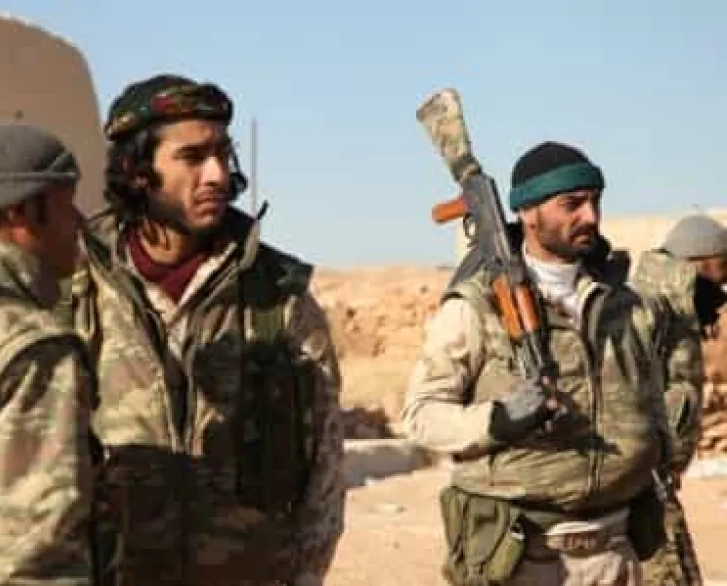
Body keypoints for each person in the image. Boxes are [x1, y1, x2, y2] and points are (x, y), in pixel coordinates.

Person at [67, 73, 345, 585]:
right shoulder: (75, 286)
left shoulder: (278, 296)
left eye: (222, 153)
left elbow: (323, 474)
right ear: (136, 171)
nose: (217, 174)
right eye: (192, 157)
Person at [403, 141, 676, 586]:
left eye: (595, 201)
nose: (591, 216)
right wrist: (497, 421)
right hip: (521, 556)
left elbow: (652, 403)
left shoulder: (624, 305)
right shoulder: (477, 307)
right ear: (528, 213)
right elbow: (421, 416)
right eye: (572, 204)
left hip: (615, 552)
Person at [0, 123, 96, 585]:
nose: (80, 223)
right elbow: (29, 564)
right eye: (68, 205)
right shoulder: (25, 347)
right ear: (22, 211)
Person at [633, 213, 727, 586]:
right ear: (699, 263)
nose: (723, 285)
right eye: (723, 268)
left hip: (660, 488)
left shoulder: (682, 313)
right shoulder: (647, 309)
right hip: (639, 492)